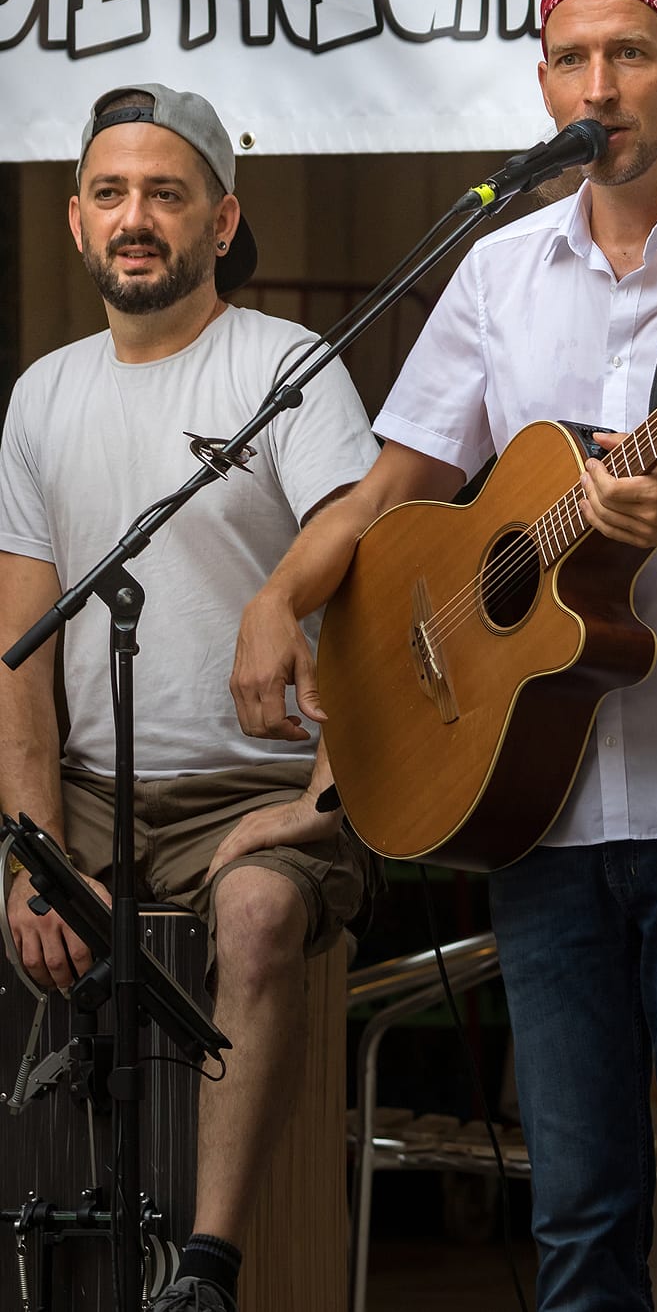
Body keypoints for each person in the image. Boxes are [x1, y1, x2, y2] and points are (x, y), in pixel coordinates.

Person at [230, 0, 657, 1312]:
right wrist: (281, 596)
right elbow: (392, 493)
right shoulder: (496, 269)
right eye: (572, 58)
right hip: (538, 813)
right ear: (542, 85)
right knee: (576, 1223)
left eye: (630, 54)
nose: (600, 85)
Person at [0, 84, 380, 1312]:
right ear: (74, 221)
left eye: (166, 194)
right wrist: (29, 851)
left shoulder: (285, 367)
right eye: (110, 194)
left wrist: (329, 795)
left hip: (253, 788)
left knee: (259, 918)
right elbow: (18, 653)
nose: (135, 218)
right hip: (93, 792)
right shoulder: (42, 395)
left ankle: (205, 1271)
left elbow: (374, 577)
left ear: (221, 222)